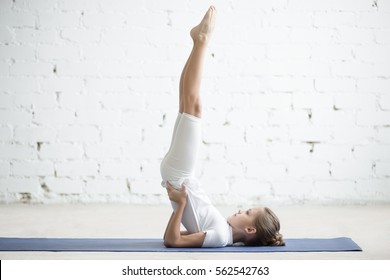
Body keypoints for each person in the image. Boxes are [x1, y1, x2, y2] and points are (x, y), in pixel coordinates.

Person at [160, 6, 284, 248]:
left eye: (246, 212)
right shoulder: (222, 231)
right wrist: (180, 204)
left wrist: (182, 203)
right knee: (187, 106)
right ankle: (198, 41)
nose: (240, 210)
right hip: (179, 176)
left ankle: (201, 40)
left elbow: (171, 241)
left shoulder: (220, 238)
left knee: (193, 107)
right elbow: (175, 237)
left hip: (180, 177)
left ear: (249, 229)